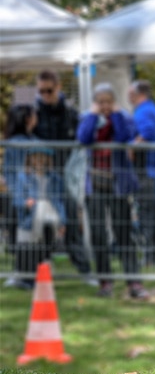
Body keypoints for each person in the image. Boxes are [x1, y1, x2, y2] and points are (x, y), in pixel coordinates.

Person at [77, 84, 149, 300]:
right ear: (95, 103)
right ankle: (105, 281)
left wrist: (116, 114)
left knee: (123, 233)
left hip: (117, 186)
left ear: (115, 102)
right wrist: (93, 115)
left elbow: (123, 137)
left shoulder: (123, 116)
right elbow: (83, 138)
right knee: (98, 235)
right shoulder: (88, 117)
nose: (105, 106)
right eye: (101, 101)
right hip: (95, 186)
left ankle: (134, 282)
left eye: (109, 101)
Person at [32, 70, 91, 277]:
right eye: (41, 91)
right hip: (44, 174)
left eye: (49, 91)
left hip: (67, 174)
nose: (45, 95)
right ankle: (44, 266)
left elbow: (82, 138)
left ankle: (84, 269)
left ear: (58, 88)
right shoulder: (35, 112)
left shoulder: (70, 112)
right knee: (44, 220)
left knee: (72, 221)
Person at [128, 80, 155, 267]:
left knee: (147, 214)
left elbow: (145, 133)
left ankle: (151, 254)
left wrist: (132, 146)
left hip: (147, 171)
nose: (129, 96)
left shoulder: (143, 111)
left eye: (131, 93)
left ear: (138, 94)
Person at [12, 147, 65, 290]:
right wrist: (26, 203)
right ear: (30, 159)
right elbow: (17, 201)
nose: (39, 161)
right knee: (39, 209)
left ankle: (43, 275)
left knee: (44, 208)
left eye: (43, 157)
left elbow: (59, 202)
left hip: (49, 217)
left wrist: (63, 221)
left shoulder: (55, 179)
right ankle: (28, 278)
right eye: (36, 157)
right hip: (30, 218)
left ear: (48, 160)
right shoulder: (23, 177)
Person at [2, 104, 39, 280]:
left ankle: (22, 272)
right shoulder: (27, 143)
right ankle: (24, 274)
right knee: (27, 233)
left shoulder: (13, 142)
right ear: (28, 120)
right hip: (28, 194)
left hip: (18, 193)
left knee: (23, 233)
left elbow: (8, 171)